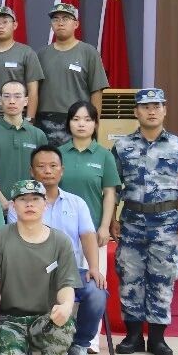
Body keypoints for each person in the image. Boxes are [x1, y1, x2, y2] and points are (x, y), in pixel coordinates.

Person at [111, 88, 178, 355]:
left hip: (167, 223)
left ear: (165, 110)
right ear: (136, 112)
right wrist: (112, 219)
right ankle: (132, 335)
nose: (151, 111)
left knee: (163, 277)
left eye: (157, 106)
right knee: (130, 276)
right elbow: (112, 188)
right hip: (131, 222)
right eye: (145, 106)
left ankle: (157, 338)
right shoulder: (121, 147)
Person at [8, 146, 106, 355]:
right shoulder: (21, 204)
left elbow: (88, 236)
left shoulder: (77, 203)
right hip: (34, 274)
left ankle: (78, 346)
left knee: (96, 291)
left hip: (71, 272)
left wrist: (93, 267)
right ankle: (54, 349)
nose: (47, 171)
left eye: (53, 166)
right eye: (41, 166)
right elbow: (17, 241)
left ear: (62, 170)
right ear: (32, 171)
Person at [0, 179, 79, 355]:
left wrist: (66, 305)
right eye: (23, 199)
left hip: (43, 317)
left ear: (45, 204)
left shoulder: (61, 241)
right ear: (13, 205)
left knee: (65, 324)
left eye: (35, 199)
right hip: (9, 318)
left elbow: (66, 284)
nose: (29, 204)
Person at [35, 3, 109, 145]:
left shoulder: (89, 52)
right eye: (56, 19)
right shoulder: (41, 54)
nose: (60, 23)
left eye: (65, 18)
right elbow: (33, 90)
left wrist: (94, 123)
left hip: (77, 121)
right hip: (44, 122)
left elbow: (96, 91)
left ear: (76, 24)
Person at [0, 80, 48, 210]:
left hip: (30, 208)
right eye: (7, 96)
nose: (12, 101)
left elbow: (43, 174)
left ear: (26, 101)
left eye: (17, 96)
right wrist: (4, 203)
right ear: (0, 100)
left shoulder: (38, 135)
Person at [59, 101, 119, 248]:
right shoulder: (57, 154)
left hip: (93, 228)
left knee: (93, 264)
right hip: (60, 228)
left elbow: (109, 194)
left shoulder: (105, 155)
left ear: (95, 124)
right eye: (76, 119)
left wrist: (104, 227)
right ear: (68, 123)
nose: (81, 124)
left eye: (87, 120)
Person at [0, 6, 44, 127]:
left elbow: (33, 90)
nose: (0, 26)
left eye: (5, 22)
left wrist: (30, 120)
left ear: (14, 25)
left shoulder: (26, 53)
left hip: (18, 117)